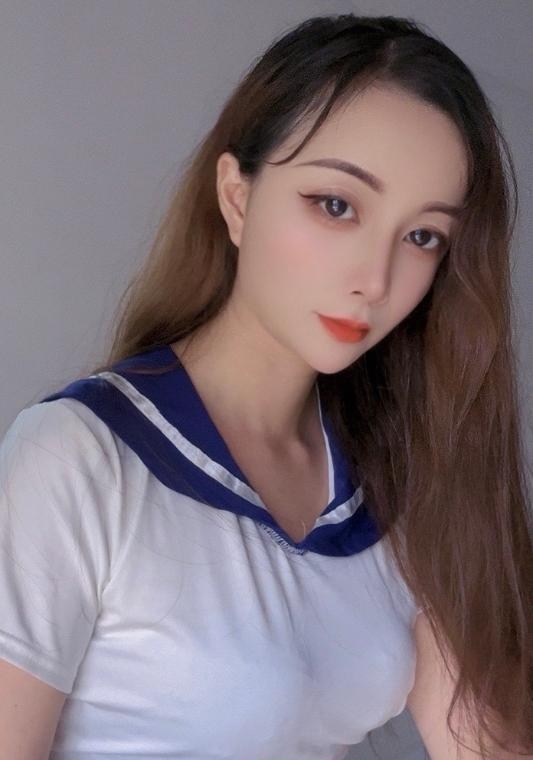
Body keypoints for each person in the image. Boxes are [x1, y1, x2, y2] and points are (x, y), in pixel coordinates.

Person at [0, 12, 531, 760]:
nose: (375, 279)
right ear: (237, 196)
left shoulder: (396, 483)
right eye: (336, 205)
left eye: (422, 236)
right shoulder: (79, 459)